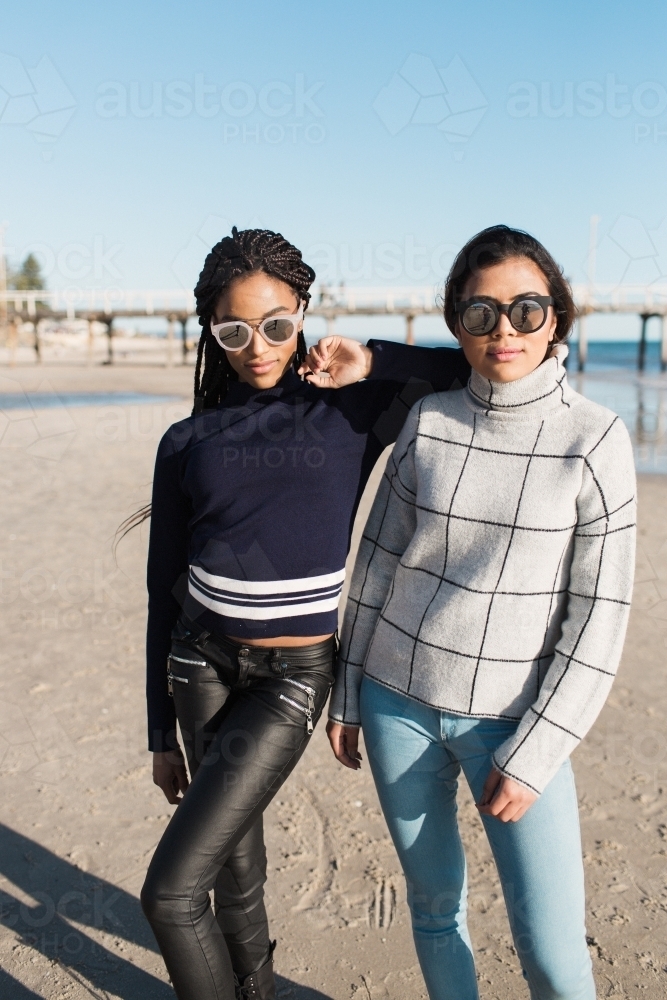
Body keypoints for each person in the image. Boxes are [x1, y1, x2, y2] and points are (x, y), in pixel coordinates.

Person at [134, 227, 470, 1000]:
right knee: (232, 869)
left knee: (169, 894)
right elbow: (160, 592)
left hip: (288, 679)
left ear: (303, 314)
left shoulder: (353, 410)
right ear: (212, 333)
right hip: (198, 664)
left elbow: (471, 365)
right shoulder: (186, 439)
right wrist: (158, 733)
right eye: (235, 329)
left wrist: (375, 359)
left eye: (277, 324)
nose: (258, 346)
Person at [327, 225, 636, 1000]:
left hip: (512, 723)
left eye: (526, 310)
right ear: (455, 322)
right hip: (394, 705)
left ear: (556, 319)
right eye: (481, 312)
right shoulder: (428, 423)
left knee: (554, 957)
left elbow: (598, 617)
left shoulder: (594, 439)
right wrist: (346, 692)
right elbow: (373, 569)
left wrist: (536, 751)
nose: (504, 329)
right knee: (434, 916)